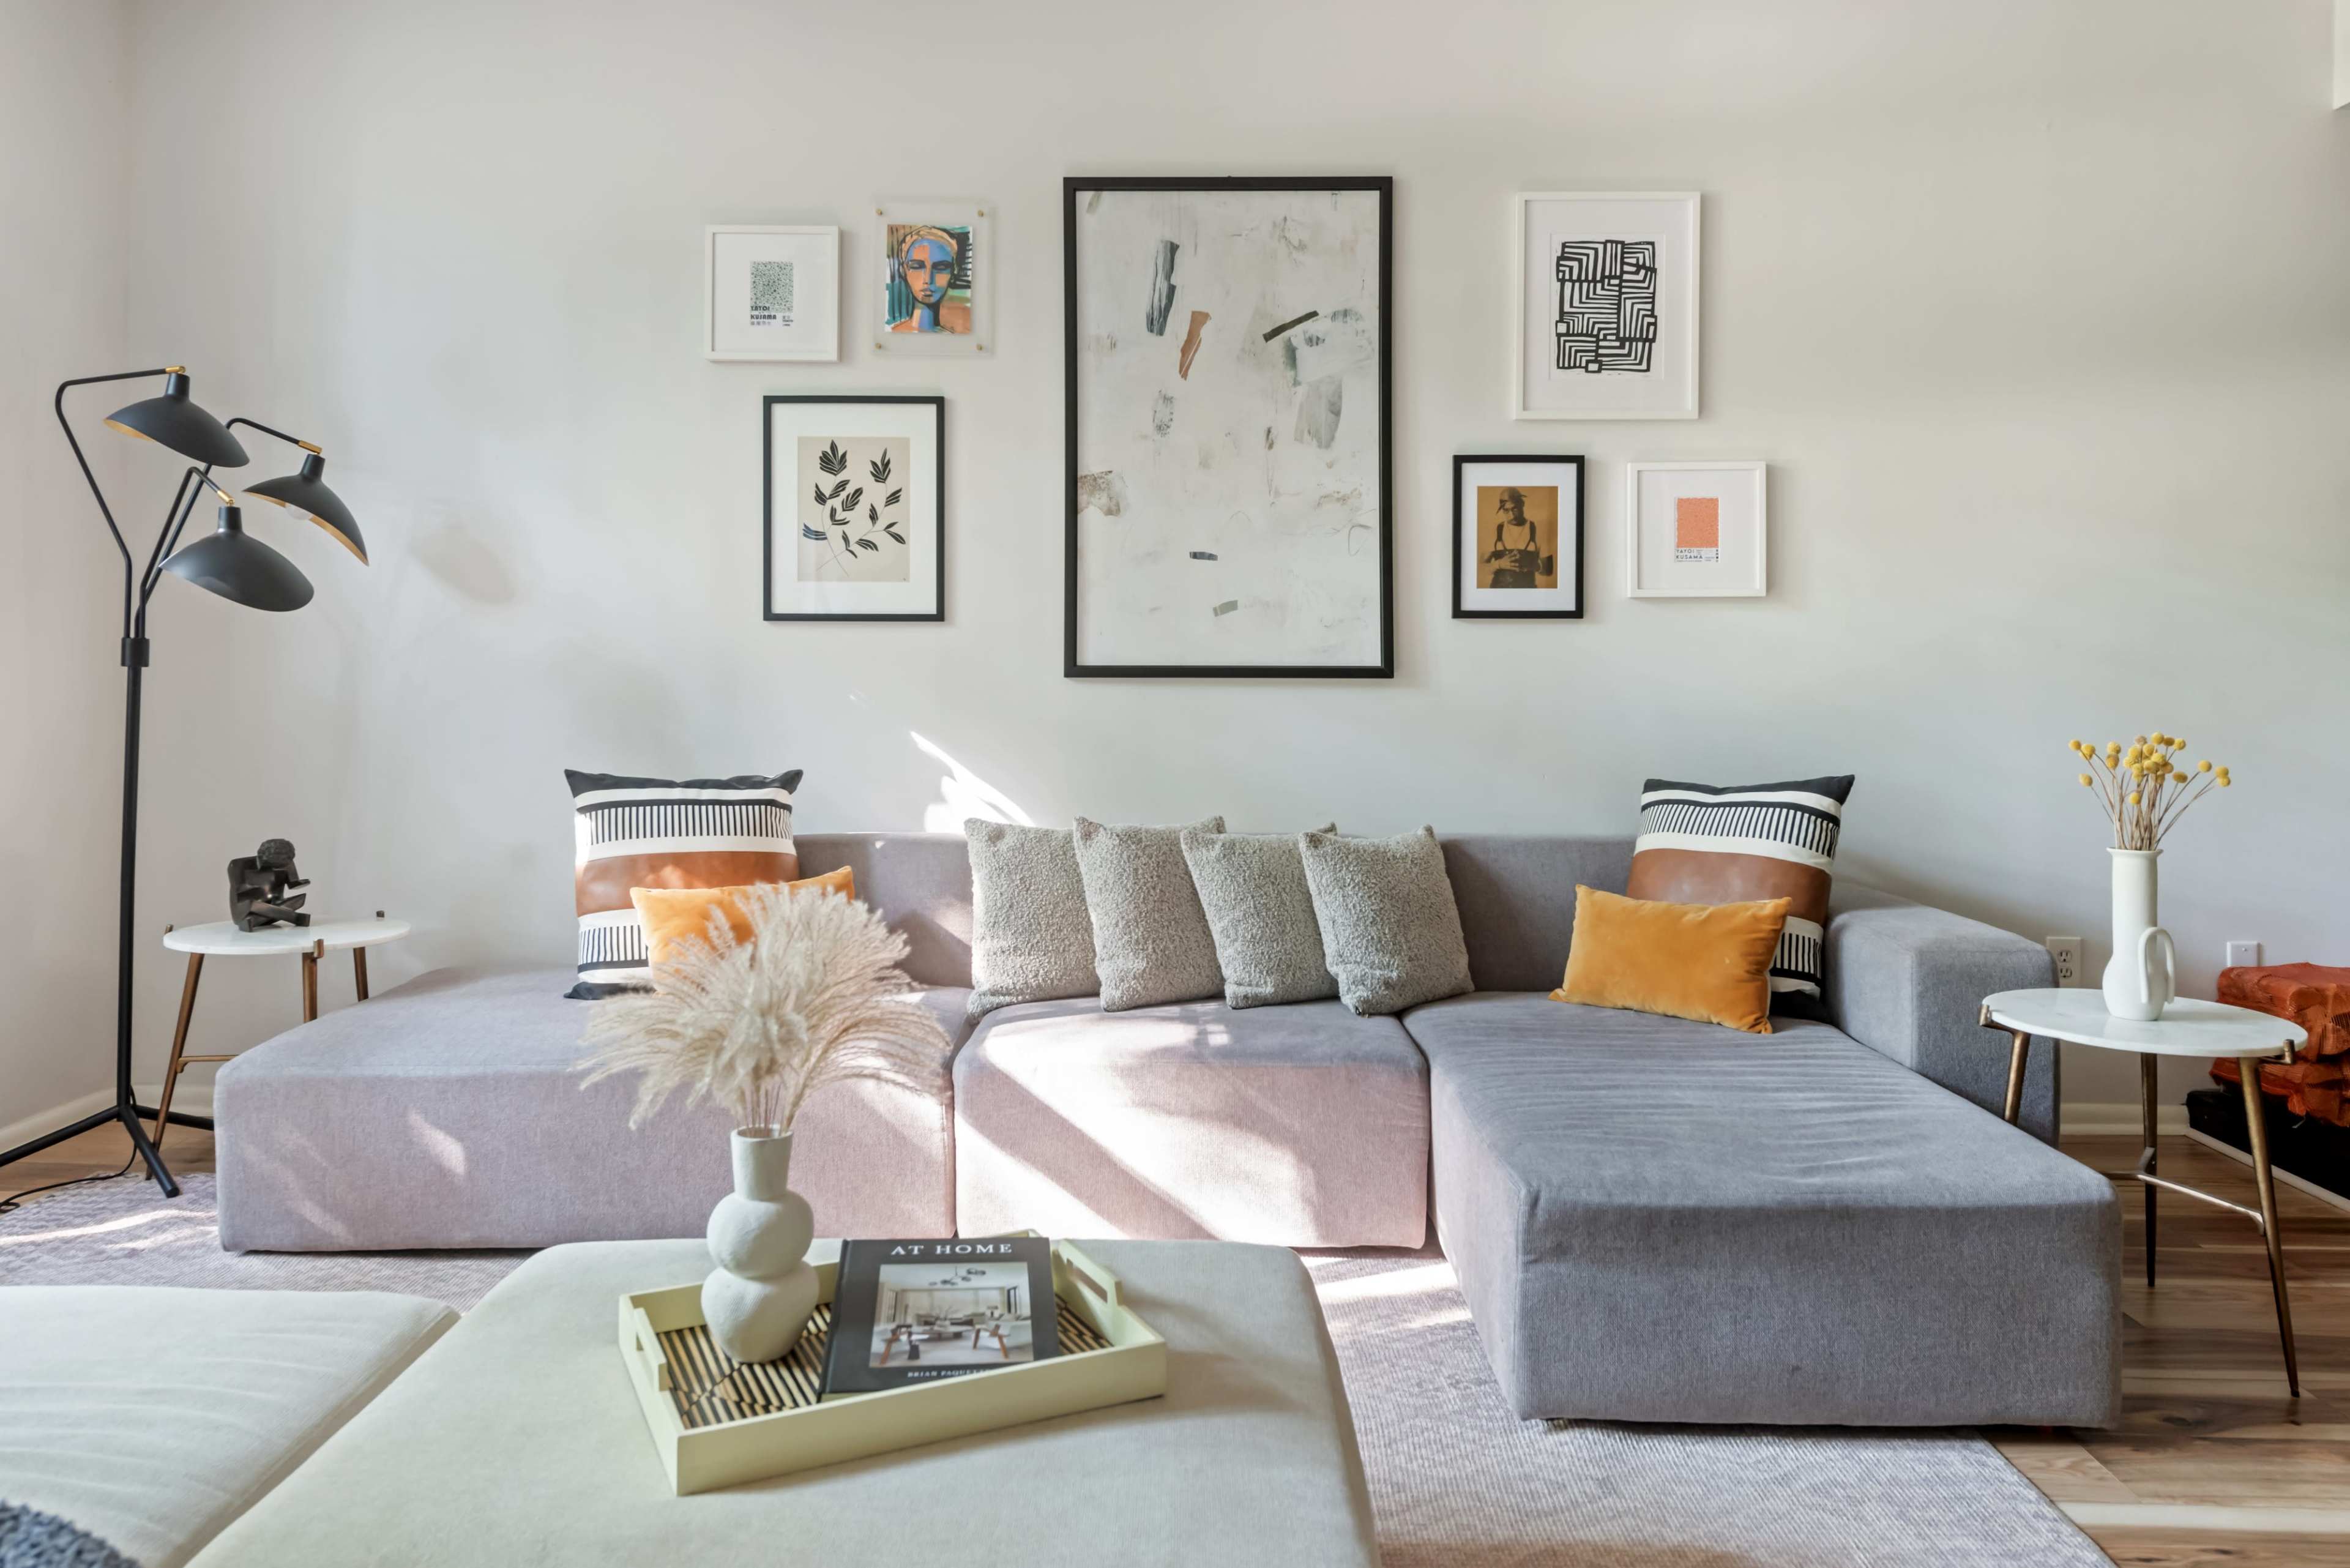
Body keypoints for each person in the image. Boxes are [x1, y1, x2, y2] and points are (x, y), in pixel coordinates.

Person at [890, 226, 970, 333]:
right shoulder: (892, 332)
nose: (928, 279)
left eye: (941, 268)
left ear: (952, 273)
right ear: (904, 271)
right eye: (917, 267)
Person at [1483, 487, 1550, 588]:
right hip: (1498, 596)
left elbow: (1549, 570)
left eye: (1515, 509)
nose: (1512, 515)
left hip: (1527, 595)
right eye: (1506, 510)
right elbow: (1478, 569)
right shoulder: (1495, 532)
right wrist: (1499, 564)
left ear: (1523, 504)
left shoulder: (1538, 530)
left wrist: (1534, 565)